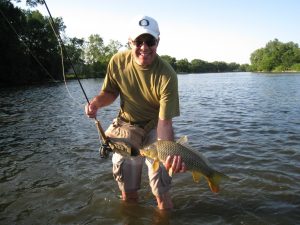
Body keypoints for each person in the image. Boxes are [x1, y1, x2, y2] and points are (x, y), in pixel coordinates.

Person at [85, 15, 186, 210]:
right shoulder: (117, 61)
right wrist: (96, 102)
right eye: (138, 41)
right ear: (130, 41)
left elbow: (165, 123)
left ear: (158, 41)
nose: (144, 47)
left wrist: (170, 154)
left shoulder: (167, 75)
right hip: (127, 126)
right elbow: (110, 92)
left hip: (155, 127)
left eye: (150, 41)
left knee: (161, 191)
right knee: (128, 192)